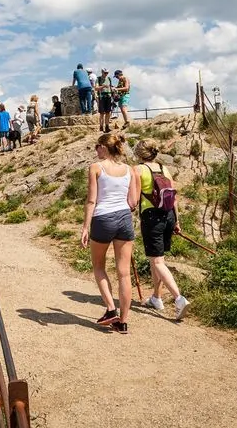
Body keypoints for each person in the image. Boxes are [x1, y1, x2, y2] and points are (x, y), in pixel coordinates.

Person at [81, 132, 140, 334]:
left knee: (98, 266)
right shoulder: (129, 170)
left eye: (97, 146)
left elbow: (91, 200)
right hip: (124, 218)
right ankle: (122, 322)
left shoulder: (96, 167)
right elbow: (133, 202)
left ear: (104, 147)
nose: (96, 149)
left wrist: (85, 227)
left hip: (103, 218)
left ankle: (110, 308)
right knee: (124, 274)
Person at [133, 138, 191, 320]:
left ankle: (179, 298)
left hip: (151, 218)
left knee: (158, 262)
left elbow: (134, 200)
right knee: (156, 259)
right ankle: (156, 297)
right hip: (168, 216)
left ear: (139, 153)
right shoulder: (164, 169)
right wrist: (177, 221)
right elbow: (174, 197)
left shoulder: (138, 170)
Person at [95, 68, 114, 132]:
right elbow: (96, 88)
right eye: (105, 73)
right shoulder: (98, 79)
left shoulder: (109, 79)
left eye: (107, 73)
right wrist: (103, 86)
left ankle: (107, 126)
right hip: (101, 97)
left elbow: (111, 87)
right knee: (102, 113)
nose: (106, 74)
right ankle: (101, 127)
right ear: (102, 72)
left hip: (108, 96)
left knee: (108, 112)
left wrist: (113, 94)